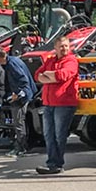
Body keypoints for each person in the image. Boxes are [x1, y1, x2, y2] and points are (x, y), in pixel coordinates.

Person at [35, 36, 79, 174]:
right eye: (61, 46)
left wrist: (48, 76)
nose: (64, 48)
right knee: (48, 134)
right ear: (55, 48)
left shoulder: (71, 60)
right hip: (48, 103)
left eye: (66, 46)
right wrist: (50, 77)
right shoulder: (50, 60)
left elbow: (64, 75)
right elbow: (37, 75)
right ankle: (53, 162)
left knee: (59, 135)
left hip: (64, 103)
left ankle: (55, 164)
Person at [0, 48, 37, 157]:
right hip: (23, 94)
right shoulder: (12, 61)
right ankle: (21, 146)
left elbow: (23, 80)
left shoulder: (12, 65)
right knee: (20, 121)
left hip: (21, 96)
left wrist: (17, 95)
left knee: (18, 122)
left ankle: (20, 148)